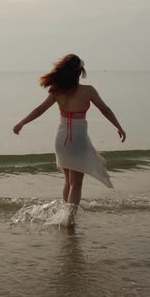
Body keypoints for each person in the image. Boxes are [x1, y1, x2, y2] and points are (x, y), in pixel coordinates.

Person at [12, 54, 126, 222]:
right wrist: (118, 126)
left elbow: (40, 109)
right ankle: (68, 220)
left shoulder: (57, 91)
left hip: (61, 138)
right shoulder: (88, 91)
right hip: (78, 140)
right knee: (76, 184)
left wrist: (21, 123)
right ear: (79, 72)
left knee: (68, 181)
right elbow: (105, 110)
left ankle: (66, 214)